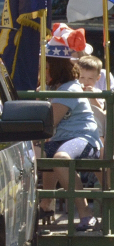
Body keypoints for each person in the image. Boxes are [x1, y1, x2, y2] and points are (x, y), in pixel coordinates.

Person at [39, 29, 103, 231]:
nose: (42, 70)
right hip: (61, 139)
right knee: (29, 156)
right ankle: (45, 204)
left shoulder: (69, 89)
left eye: (45, 66)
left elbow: (49, 123)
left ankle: (85, 213)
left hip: (84, 139)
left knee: (61, 157)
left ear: (55, 66)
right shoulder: (54, 88)